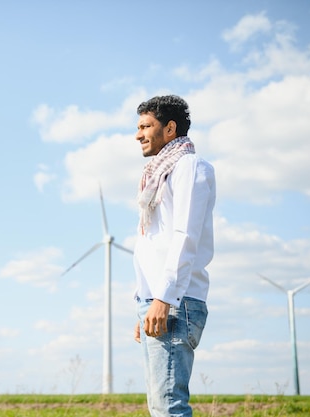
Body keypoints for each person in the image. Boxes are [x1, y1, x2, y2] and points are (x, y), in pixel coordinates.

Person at [132, 95, 216, 417]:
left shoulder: (189, 167)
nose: (138, 134)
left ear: (170, 128)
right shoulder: (157, 174)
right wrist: (144, 301)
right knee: (160, 407)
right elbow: (151, 242)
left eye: (145, 126)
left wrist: (163, 299)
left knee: (169, 409)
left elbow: (184, 236)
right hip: (158, 301)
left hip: (175, 303)